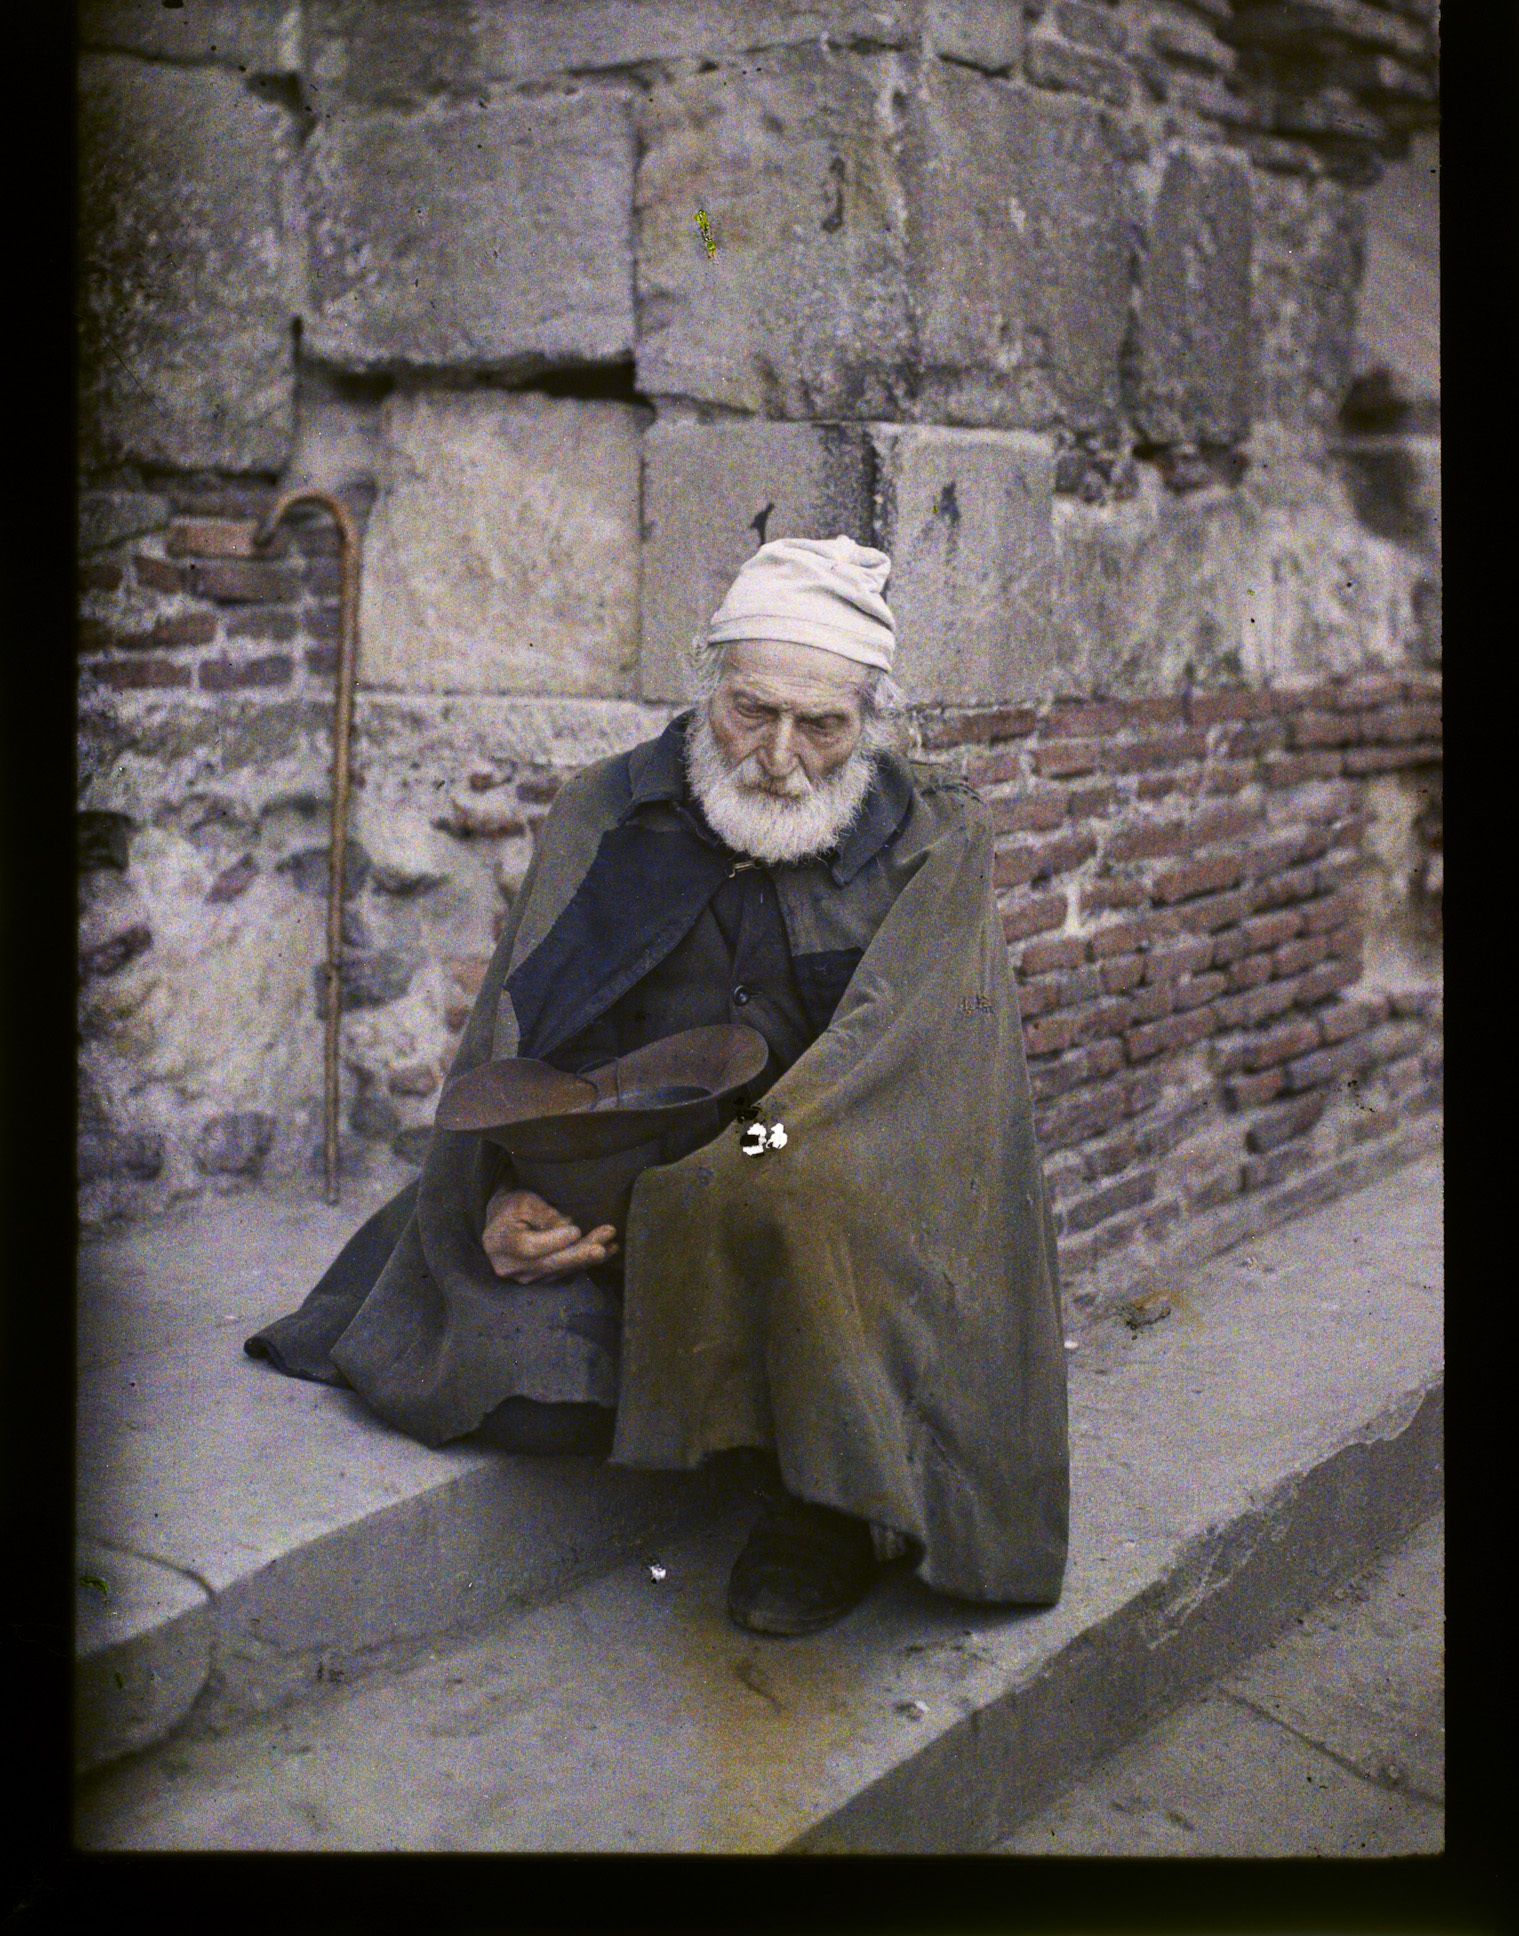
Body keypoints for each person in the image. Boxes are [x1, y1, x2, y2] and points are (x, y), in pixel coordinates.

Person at [249, 535, 1069, 1636]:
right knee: (509, 1387)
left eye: (820, 725)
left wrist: (739, 1164)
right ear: (706, 686)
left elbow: (898, 1074)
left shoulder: (933, 838)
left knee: (798, 1196)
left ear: (871, 719)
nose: (777, 755)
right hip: (616, 1176)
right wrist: (509, 1193)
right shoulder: (606, 808)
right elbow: (517, 1042)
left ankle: (823, 1509)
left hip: (810, 1162)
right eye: (748, 711)